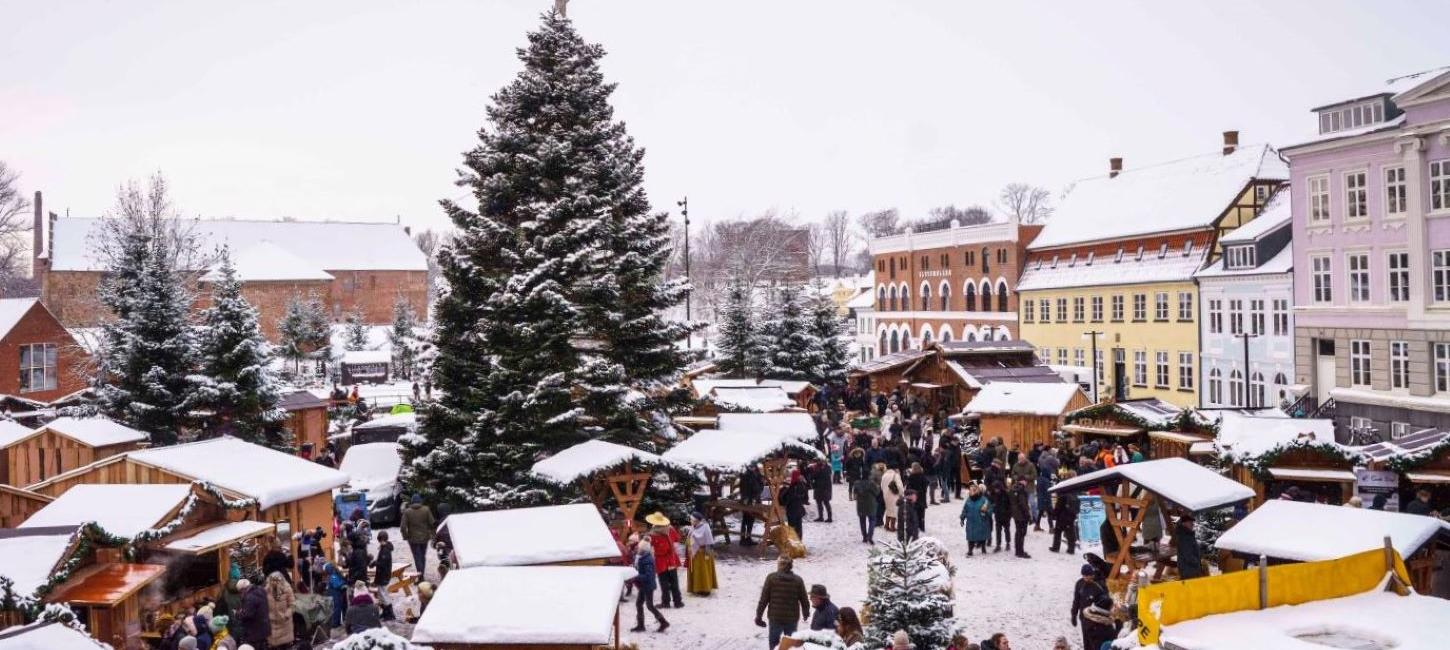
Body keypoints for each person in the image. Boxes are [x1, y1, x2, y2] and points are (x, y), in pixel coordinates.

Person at [754, 555, 809, 650]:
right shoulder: (798, 580)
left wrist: (759, 616)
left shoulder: (771, 578)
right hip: (792, 618)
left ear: (779, 565)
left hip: (775, 617)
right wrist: (806, 613)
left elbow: (764, 600)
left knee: (774, 643)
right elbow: (804, 599)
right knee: (790, 644)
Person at [645, 512, 684, 608]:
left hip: (661, 561)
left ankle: (666, 602)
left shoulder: (653, 534)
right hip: (672, 560)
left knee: (664, 582)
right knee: (674, 581)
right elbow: (677, 539)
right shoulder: (670, 529)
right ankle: (678, 602)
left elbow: (650, 548)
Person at [630, 541, 668, 632]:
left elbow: (648, 575)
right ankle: (641, 625)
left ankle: (663, 622)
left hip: (648, 586)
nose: (637, 549)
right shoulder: (642, 557)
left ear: (643, 549)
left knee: (649, 605)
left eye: (639, 548)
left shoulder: (647, 560)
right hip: (644, 585)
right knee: (639, 604)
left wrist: (635, 576)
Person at [1071, 563, 1108, 650]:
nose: (1086, 578)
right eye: (1084, 575)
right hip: (1084, 619)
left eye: (1088, 576)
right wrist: (1074, 614)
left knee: (1095, 643)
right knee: (1086, 642)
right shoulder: (1079, 584)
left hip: (1095, 620)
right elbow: (1076, 601)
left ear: (1092, 575)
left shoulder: (1098, 586)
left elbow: (1105, 603)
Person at [399, 495, 435, 576]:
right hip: (425, 537)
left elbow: (403, 527)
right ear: (420, 501)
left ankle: (420, 575)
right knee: (422, 556)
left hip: (413, 539)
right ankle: (421, 574)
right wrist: (432, 534)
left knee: (417, 557)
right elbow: (432, 523)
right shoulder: (426, 509)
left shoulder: (407, 512)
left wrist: (405, 536)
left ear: (412, 501)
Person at [685, 511, 718, 596]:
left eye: (692, 520)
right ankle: (695, 588)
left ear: (697, 520)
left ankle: (705, 589)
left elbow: (708, 541)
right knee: (696, 571)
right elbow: (690, 538)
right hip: (694, 553)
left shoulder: (705, 527)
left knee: (703, 572)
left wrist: (707, 555)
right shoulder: (693, 527)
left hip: (703, 554)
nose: (690, 521)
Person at [1049, 473, 1080, 554]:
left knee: (1058, 531)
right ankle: (1071, 549)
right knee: (1070, 531)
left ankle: (1056, 547)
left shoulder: (1064, 488)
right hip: (1072, 513)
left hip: (1063, 514)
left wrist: (1054, 513)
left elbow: (1059, 503)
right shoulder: (1076, 487)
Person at [233, 579, 268, 650]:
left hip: (254, 631)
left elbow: (247, 614)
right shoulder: (259, 590)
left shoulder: (250, 597)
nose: (240, 594)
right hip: (263, 627)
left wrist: (236, 613)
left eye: (240, 592)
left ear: (243, 589)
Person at [264, 571, 294, 650]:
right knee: (273, 645)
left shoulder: (287, 589)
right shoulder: (267, 590)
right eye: (272, 580)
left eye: (276, 580)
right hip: (272, 623)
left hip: (284, 622)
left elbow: (292, 604)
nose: (274, 582)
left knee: (284, 646)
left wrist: (287, 615)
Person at [960, 483, 992, 555]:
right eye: (971, 491)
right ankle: (970, 550)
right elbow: (965, 510)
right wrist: (962, 518)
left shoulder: (984, 500)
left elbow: (990, 509)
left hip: (981, 521)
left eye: (974, 491)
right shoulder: (968, 500)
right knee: (970, 536)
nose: (972, 492)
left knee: (982, 534)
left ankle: (983, 547)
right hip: (971, 522)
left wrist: (986, 511)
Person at [740, 463, 765, 546]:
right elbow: (757, 488)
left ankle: (745, 538)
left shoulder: (746, 474)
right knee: (749, 519)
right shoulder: (751, 475)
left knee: (747, 519)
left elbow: (742, 487)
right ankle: (746, 538)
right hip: (751, 500)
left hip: (747, 499)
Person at [853, 470, 881, 543]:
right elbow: (877, 493)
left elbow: (855, 495)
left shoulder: (857, 483)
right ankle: (870, 536)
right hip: (871, 504)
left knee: (862, 521)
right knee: (872, 520)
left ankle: (864, 537)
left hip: (861, 504)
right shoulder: (872, 484)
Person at [782, 470, 810, 542]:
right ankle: (799, 542)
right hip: (799, 509)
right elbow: (806, 499)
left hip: (792, 510)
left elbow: (786, 499)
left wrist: (784, 490)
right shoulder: (802, 484)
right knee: (799, 527)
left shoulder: (792, 486)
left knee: (792, 527)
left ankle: (793, 543)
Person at [1173, 514, 1203, 579]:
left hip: (1190, 569)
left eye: (1192, 522)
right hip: (1189, 570)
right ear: (1184, 524)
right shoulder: (1184, 537)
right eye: (1190, 522)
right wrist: (1197, 562)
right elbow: (1188, 555)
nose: (1192, 524)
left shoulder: (1187, 534)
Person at [1009, 479, 1031, 558]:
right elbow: (1023, 504)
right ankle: (1020, 551)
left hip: (1015, 514)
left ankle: (1018, 550)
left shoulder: (1013, 489)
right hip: (1022, 514)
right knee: (1021, 533)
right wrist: (1028, 514)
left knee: (1018, 532)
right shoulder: (1021, 490)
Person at [881, 464, 904, 533]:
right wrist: (901, 494)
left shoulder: (884, 475)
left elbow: (882, 485)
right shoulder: (896, 475)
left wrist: (885, 492)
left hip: (885, 494)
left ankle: (886, 524)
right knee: (894, 511)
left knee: (888, 509)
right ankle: (892, 526)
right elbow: (899, 486)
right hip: (894, 494)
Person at [988, 480, 1010, 552]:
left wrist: (1009, 514)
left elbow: (1009, 505)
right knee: (998, 531)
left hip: (1006, 515)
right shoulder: (993, 495)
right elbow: (990, 503)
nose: (996, 490)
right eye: (995, 489)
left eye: (997, 488)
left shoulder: (1006, 494)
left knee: (1006, 530)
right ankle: (998, 544)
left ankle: (1008, 543)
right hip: (998, 515)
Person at [907, 463, 929, 531]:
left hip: (914, 497)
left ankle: (915, 527)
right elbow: (927, 483)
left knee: (914, 513)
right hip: (922, 497)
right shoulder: (923, 476)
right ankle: (922, 527)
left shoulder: (911, 477)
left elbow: (908, 488)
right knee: (921, 514)